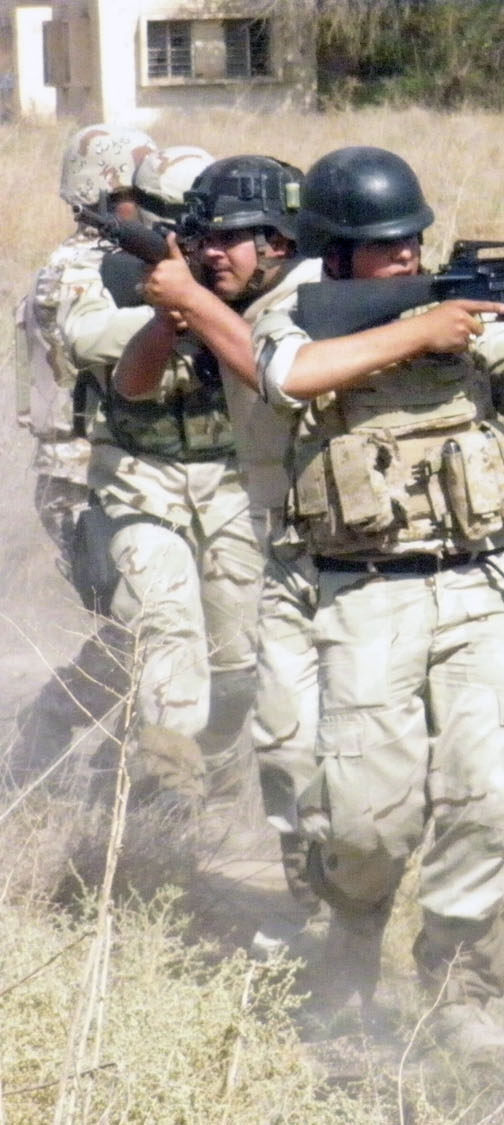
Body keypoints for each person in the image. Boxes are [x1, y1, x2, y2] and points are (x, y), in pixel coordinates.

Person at [251, 146, 504, 1057]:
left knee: (500, 798)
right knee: (365, 822)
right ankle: (350, 936)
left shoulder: (465, 310)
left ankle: (458, 984)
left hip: (477, 583)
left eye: (412, 242)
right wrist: (420, 329)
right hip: (361, 596)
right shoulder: (293, 310)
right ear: (336, 254)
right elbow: (287, 377)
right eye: (382, 247)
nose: (403, 258)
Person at [122, 153, 323, 942]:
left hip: (347, 556)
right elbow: (135, 384)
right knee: (289, 745)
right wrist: (171, 312)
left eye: (233, 238)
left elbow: (282, 375)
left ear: (279, 239)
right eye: (204, 237)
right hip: (288, 555)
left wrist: (200, 309)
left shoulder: (314, 299)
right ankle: (322, 917)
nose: (213, 253)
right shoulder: (220, 299)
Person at [56, 142, 263, 817]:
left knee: (237, 655)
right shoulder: (101, 271)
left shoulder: (247, 278)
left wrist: (212, 304)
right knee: (167, 620)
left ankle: (205, 780)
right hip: (136, 481)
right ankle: (167, 788)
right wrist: (169, 310)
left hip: (231, 485)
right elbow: (85, 339)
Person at [10, 124, 158, 786]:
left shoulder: (111, 267)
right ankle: (59, 730)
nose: (149, 206)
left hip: (109, 473)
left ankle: (121, 760)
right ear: (99, 194)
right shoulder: (80, 275)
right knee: (142, 625)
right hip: (83, 478)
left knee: (149, 626)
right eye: (134, 195)